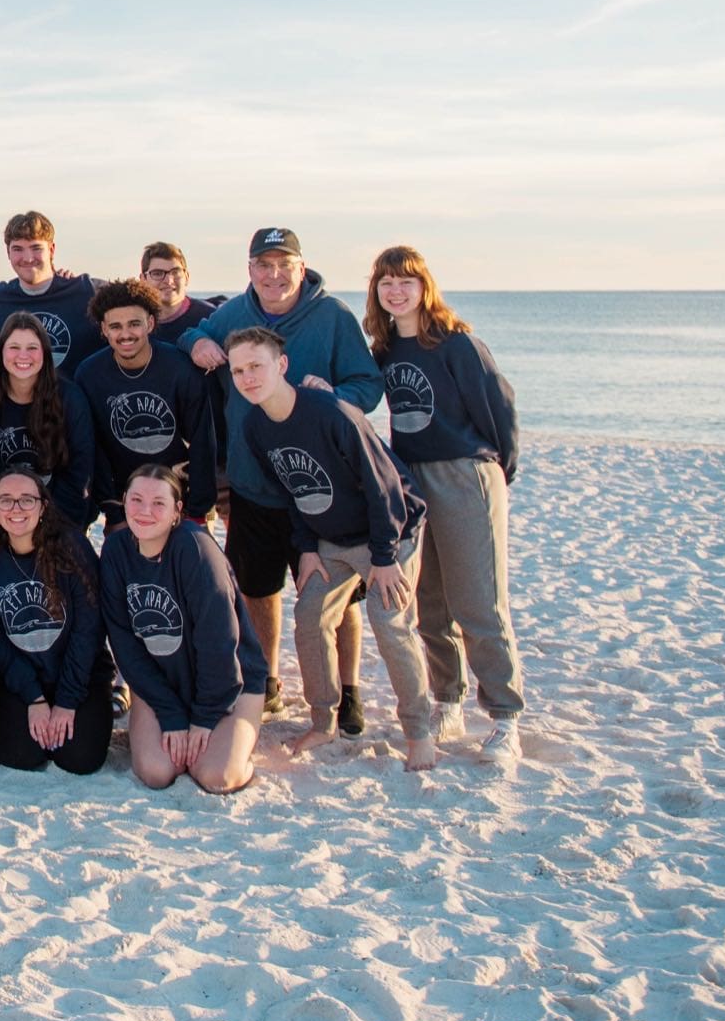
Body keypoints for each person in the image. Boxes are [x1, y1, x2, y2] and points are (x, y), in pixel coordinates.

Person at [187, 227, 385, 715]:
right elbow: (195, 331)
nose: (273, 275)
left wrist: (336, 396)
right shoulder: (234, 314)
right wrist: (196, 343)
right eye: (263, 265)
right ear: (250, 269)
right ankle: (269, 677)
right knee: (258, 588)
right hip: (254, 484)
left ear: (301, 266)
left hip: (323, 489)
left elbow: (368, 383)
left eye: (283, 264)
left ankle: (349, 689)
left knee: (336, 598)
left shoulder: (332, 317)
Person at [226, 327, 439, 768]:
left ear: (281, 365)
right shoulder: (256, 427)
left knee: (389, 621)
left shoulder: (332, 412)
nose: (248, 378)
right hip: (329, 540)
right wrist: (306, 548)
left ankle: (419, 733)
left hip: (388, 534)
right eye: (238, 370)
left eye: (256, 367)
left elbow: (385, 488)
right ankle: (323, 722)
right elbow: (292, 492)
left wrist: (384, 558)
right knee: (309, 617)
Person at [367, 246, 525, 756]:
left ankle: (504, 716)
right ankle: (448, 701)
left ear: (423, 287)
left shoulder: (456, 344)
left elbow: (499, 406)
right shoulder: (386, 350)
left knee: (478, 601)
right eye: (386, 282)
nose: (395, 290)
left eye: (405, 282)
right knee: (430, 605)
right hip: (411, 479)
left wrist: (495, 471)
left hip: (464, 474)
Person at [99, 464, 267, 793]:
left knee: (216, 776)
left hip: (229, 684)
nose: (145, 511)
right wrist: (171, 714)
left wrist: (204, 718)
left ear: (177, 510)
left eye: (158, 503)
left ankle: (235, 736)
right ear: (124, 502)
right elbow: (125, 646)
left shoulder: (195, 549)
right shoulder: (116, 551)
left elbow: (220, 643)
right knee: (156, 772)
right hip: (164, 682)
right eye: (136, 500)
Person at [0, 466, 113, 774]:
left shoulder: (72, 549)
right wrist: (34, 698)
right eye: (5, 500)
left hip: (74, 675)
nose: (16, 508)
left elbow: (88, 631)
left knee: (80, 759)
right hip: (15, 679)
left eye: (26, 500)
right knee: (21, 756)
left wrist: (67, 700)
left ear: (43, 506)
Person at [75, 280, 216, 528]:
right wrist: (112, 510)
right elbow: (94, 450)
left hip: (181, 501)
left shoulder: (180, 369)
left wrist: (196, 512)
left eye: (134, 324)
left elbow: (203, 442)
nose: (126, 334)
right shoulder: (89, 375)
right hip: (125, 504)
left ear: (150, 323)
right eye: (116, 326)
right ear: (104, 329)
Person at [0, 314, 95, 530]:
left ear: (44, 352)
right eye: (14, 347)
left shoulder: (70, 399)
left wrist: (53, 526)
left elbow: (79, 471)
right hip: (4, 520)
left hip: (61, 519)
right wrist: (3, 524)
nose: (23, 355)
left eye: (32, 348)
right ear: (1, 351)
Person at [0, 210, 103, 377]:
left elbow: (134, 309)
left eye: (36, 248)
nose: (28, 258)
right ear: (8, 253)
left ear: (51, 250)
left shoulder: (86, 292)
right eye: (18, 249)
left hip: (72, 402)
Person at [139, 241, 216, 352]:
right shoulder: (132, 325)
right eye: (157, 273)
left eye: (175, 272)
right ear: (143, 280)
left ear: (187, 277)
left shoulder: (209, 318)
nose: (169, 281)